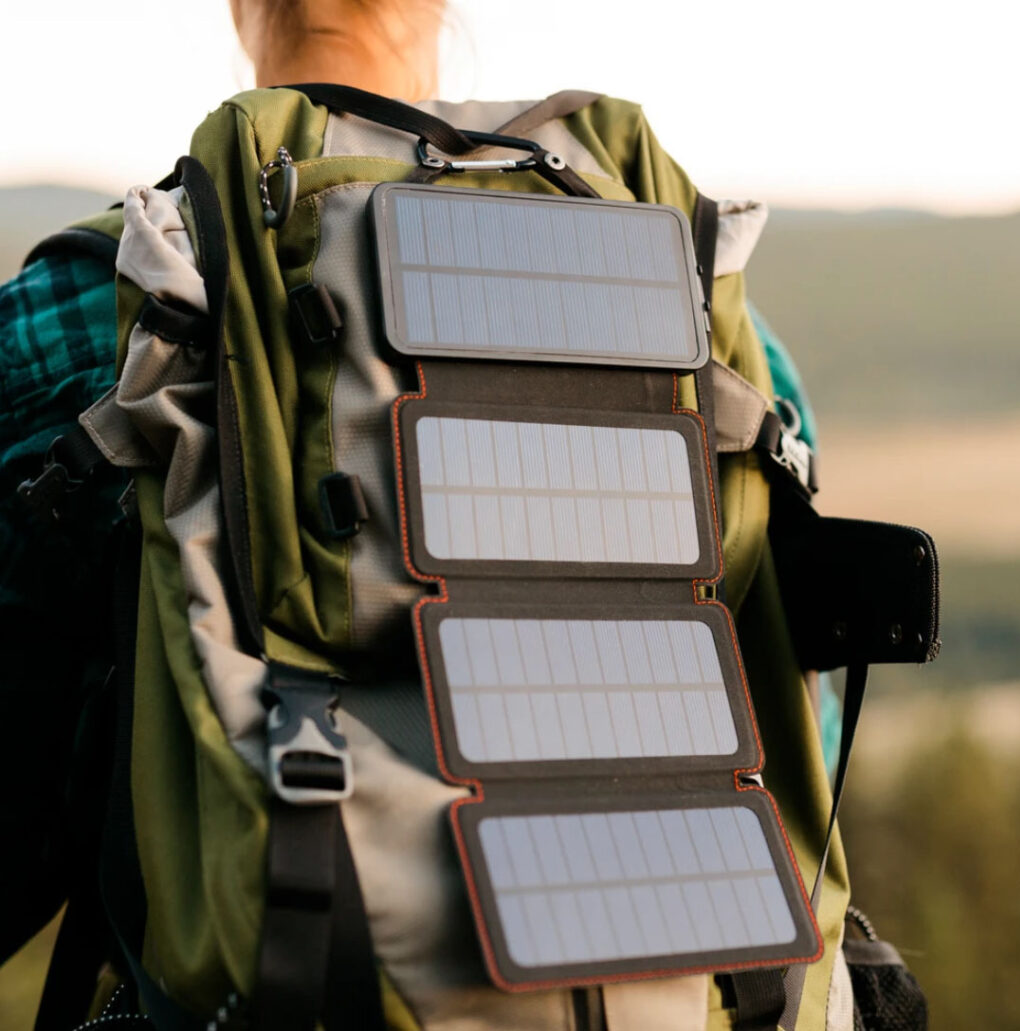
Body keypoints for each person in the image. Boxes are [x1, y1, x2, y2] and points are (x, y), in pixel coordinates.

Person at [0, 1, 841, 1028]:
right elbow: (798, 727)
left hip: (308, 948)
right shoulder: (711, 321)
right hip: (706, 982)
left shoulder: (104, 303)